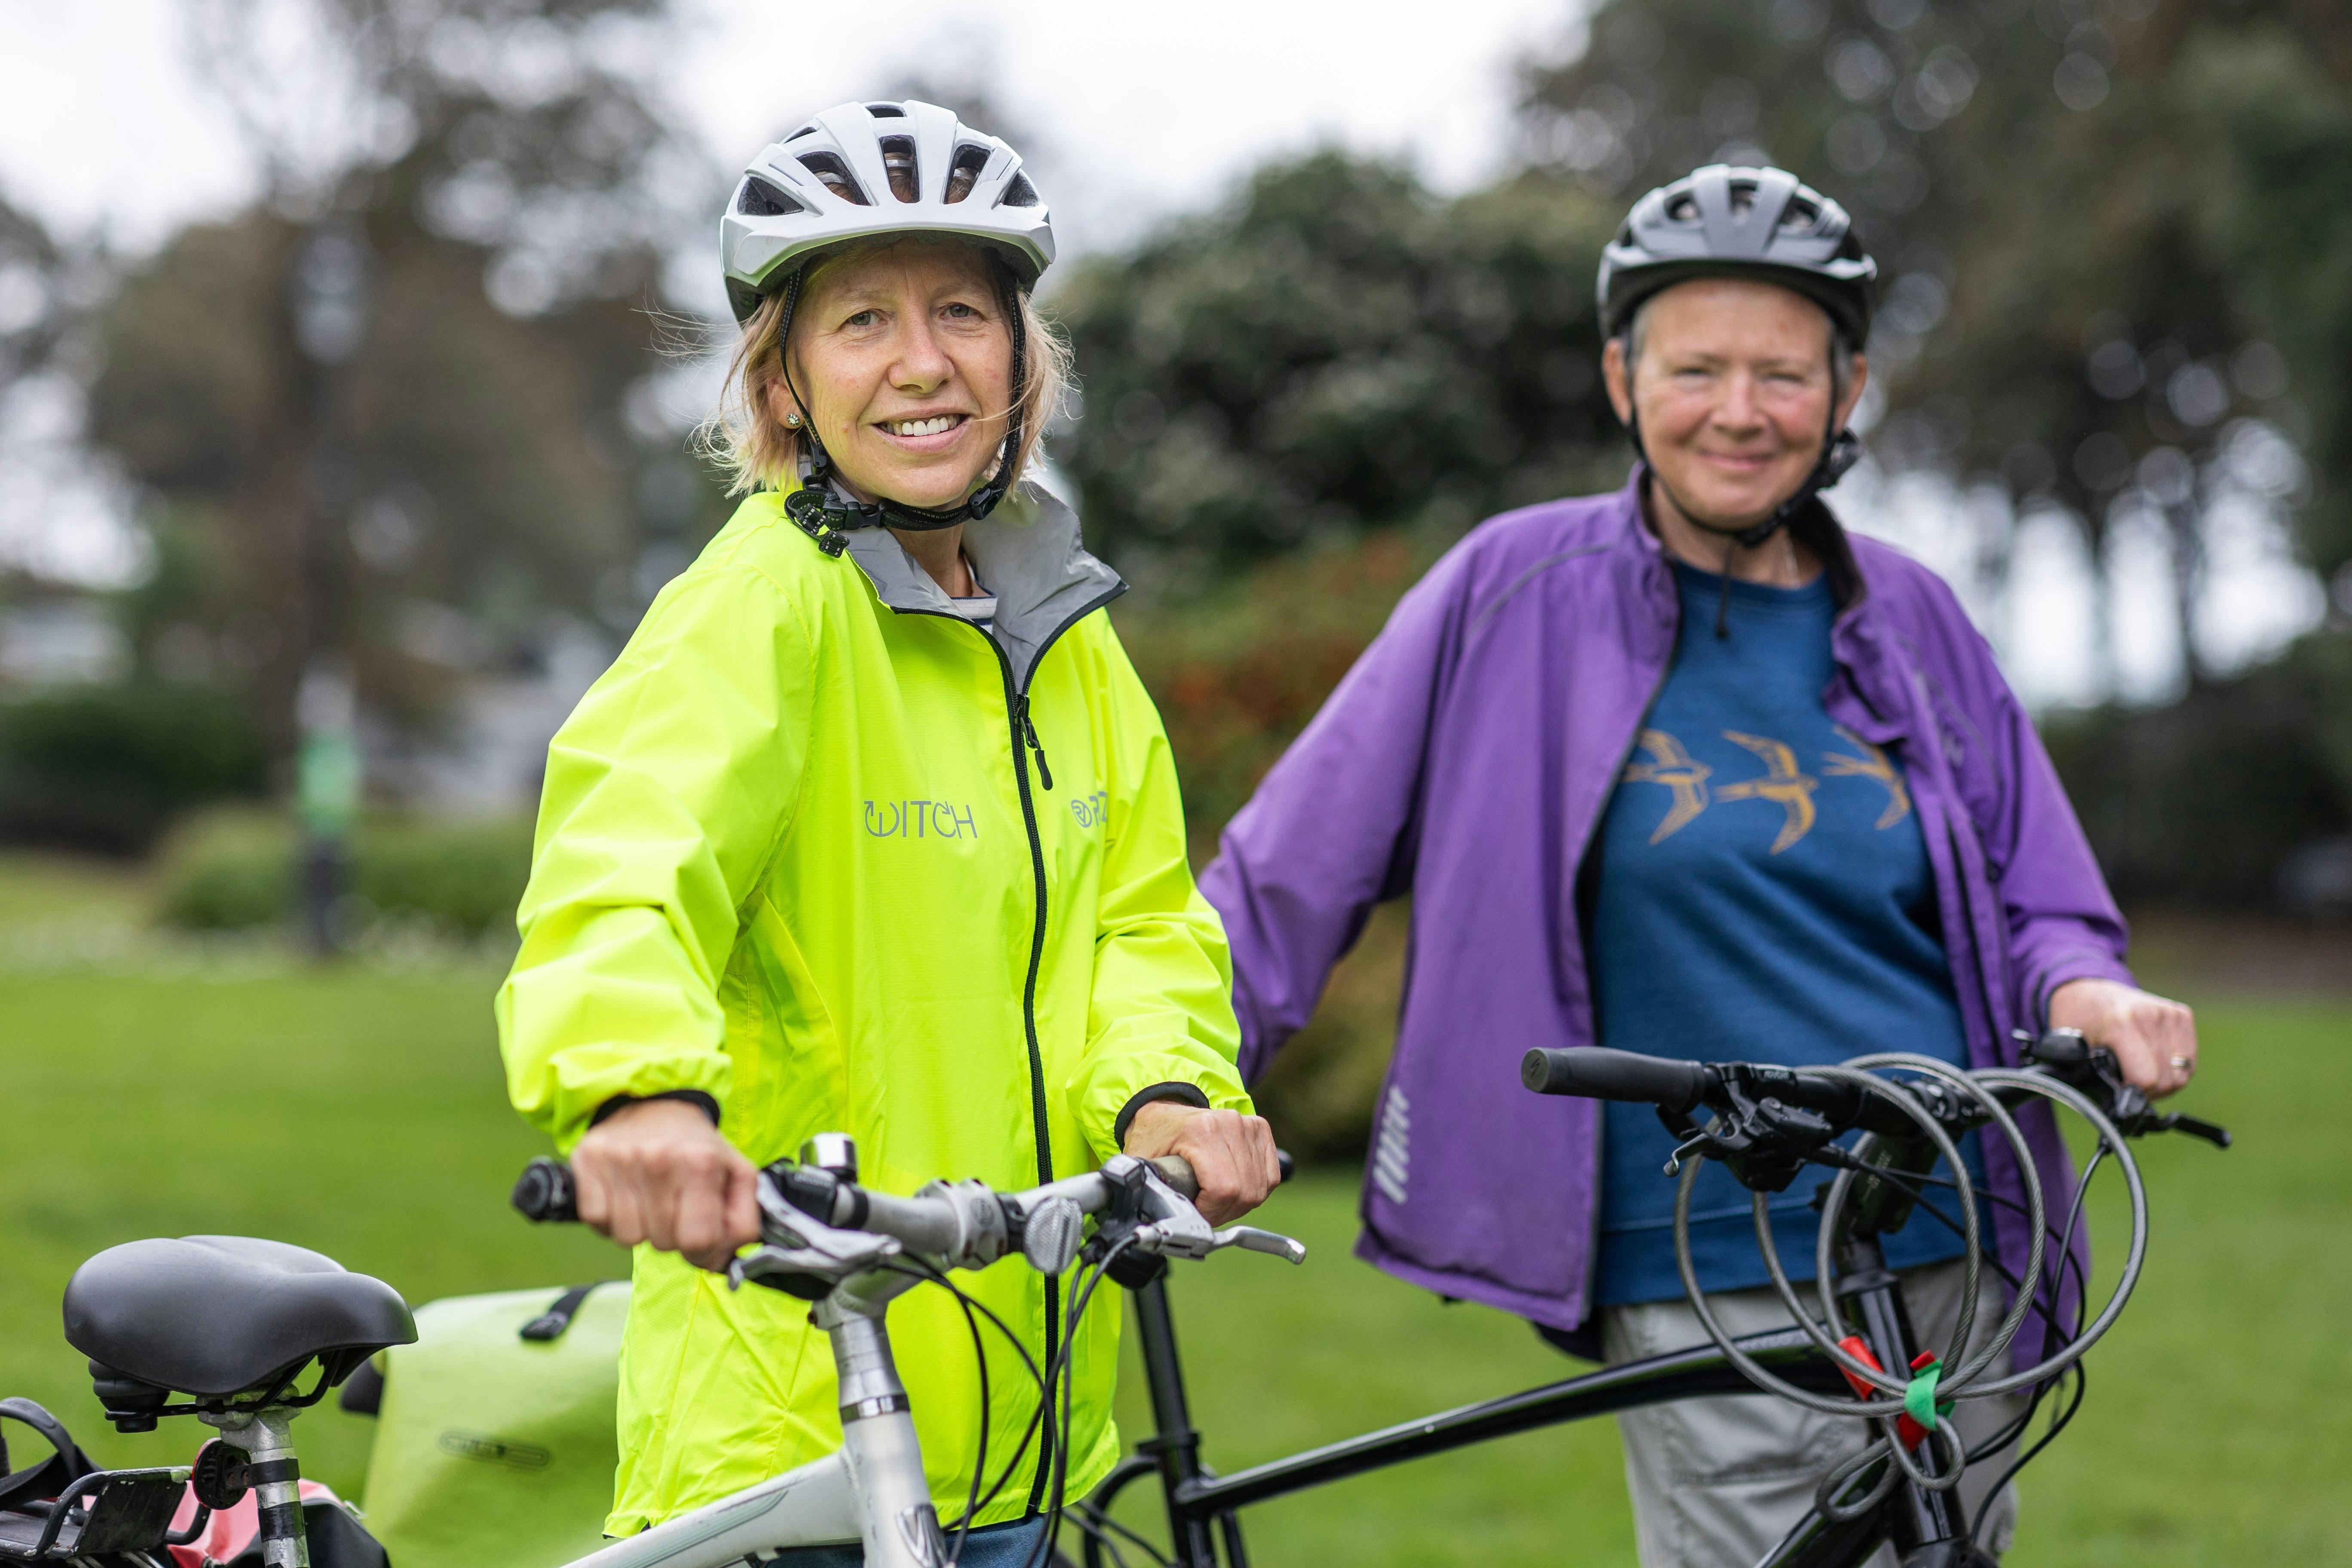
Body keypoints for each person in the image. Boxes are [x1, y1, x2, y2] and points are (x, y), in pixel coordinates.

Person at [1198, 165, 2200, 1567]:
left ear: (1848, 392)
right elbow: (1285, 875)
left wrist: (2091, 993)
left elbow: (2040, 893)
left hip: (1960, 1227)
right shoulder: (1511, 590)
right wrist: (1160, 1082)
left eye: (1785, 374)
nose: (1742, 410)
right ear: (1623, 379)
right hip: (1707, 1258)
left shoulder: (1911, 613)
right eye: (1699, 367)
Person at [497, 99, 1278, 1563]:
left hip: (1028, 1429)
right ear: (784, 386)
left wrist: (1166, 1092)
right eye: (862, 320)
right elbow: (622, 859)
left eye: (964, 315)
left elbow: (1142, 921)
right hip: (800, 1429)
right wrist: (635, 1098)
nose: (923, 362)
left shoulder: (1066, 637)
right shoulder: (763, 604)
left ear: (1022, 365)